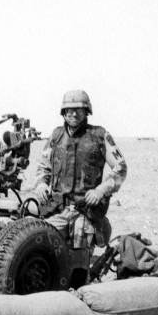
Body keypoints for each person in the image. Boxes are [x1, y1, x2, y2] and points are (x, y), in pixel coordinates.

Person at [33, 89, 127, 251]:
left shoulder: (99, 135)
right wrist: (41, 184)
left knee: (80, 260)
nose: (74, 114)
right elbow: (43, 166)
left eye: (79, 110)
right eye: (70, 110)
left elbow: (121, 167)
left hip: (86, 212)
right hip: (57, 210)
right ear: (64, 112)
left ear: (86, 112)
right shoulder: (56, 136)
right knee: (38, 243)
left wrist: (100, 190)